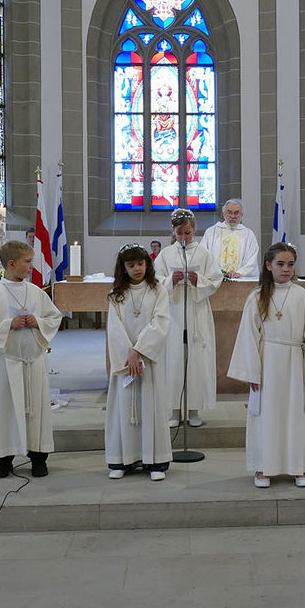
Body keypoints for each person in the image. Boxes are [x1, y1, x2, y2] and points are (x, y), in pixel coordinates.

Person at [228, 243, 305, 488]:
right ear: (268, 265)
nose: (286, 269)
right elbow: (248, 335)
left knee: (297, 414)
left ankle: (299, 467)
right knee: (268, 415)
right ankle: (264, 467)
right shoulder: (256, 297)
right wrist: (252, 371)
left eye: (290, 264)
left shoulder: (301, 296)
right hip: (267, 362)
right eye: (280, 264)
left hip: (295, 361)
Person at [0, 240, 63, 478]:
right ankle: (4, 460)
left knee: (36, 411)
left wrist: (39, 322)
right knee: (5, 411)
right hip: (8, 362)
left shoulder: (36, 292)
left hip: (33, 361)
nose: (31, 266)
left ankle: (38, 457)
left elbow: (54, 318)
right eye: (27, 262)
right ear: (11, 264)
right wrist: (8, 325)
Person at [105, 243, 172, 481]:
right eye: (131, 265)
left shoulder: (158, 291)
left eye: (141, 264)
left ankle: (154, 462)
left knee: (150, 407)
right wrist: (129, 354)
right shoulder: (116, 296)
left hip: (147, 362)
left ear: (147, 264)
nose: (137, 269)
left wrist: (139, 351)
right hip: (126, 363)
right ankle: (123, 460)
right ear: (123, 268)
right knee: (124, 408)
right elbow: (114, 329)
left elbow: (161, 322)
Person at [154, 208, 223, 428]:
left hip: (196, 309)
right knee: (174, 358)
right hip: (174, 311)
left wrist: (198, 280)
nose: (184, 237)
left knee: (196, 359)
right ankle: (174, 409)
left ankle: (193, 409)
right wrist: (169, 281)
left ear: (194, 230)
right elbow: (156, 280)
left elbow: (215, 278)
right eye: (180, 233)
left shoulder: (204, 254)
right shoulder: (166, 254)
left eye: (188, 233)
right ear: (173, 232)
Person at [199, 198, 261, 278]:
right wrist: (215, 272)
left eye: (236, 213)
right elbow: (203, 255)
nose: (233, 216)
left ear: (242, 215)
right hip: (215, 280)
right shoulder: (211, 232)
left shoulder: (248, 235)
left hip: (239, 281)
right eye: (229, 213)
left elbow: (251, 260)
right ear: (224, 213)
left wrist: (240, 273)